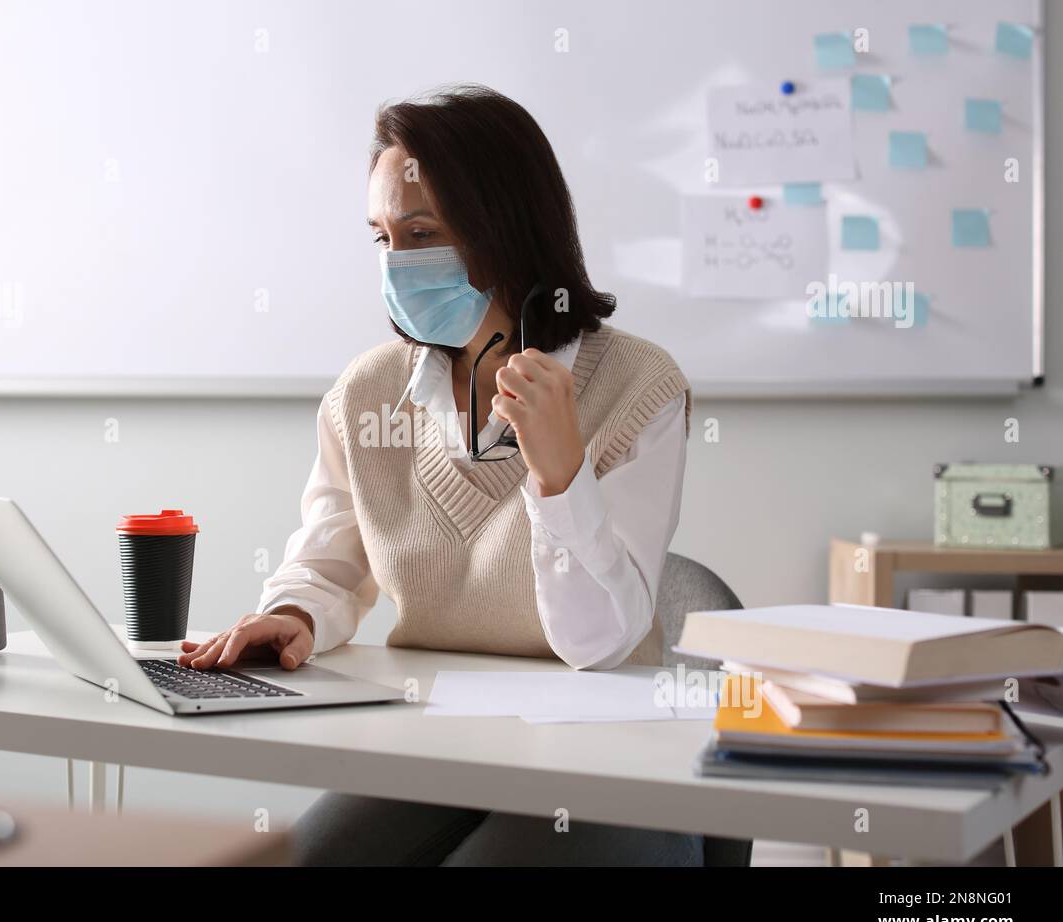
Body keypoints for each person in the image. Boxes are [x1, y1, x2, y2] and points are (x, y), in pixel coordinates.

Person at [179, 85, 696, 865]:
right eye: (382, 239)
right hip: (436, 746)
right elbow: (329, 556)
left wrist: (561, 474)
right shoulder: (366, 392)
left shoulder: (639, 386)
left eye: (420, 233)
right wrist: (295, 611)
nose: (396, 265)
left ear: (505, 232)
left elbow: (598, 646)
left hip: (608, 758)